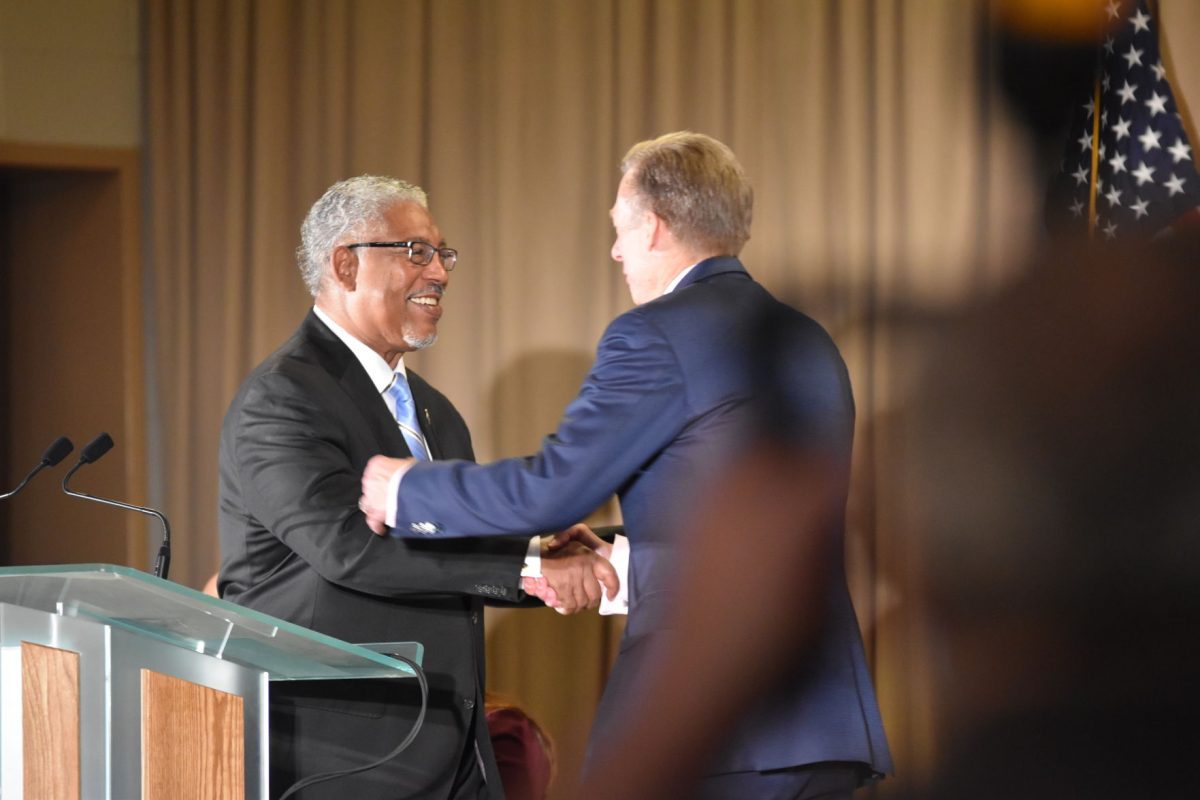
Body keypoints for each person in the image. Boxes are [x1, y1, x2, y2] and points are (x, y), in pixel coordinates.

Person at [360, 133, 893, 798]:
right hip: (821, 719)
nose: (614, 250)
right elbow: (757, 529)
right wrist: (624, 564)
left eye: (619, 229)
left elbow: (553, 490)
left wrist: (409, 492)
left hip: (720, 722)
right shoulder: (807, 340)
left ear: (657, 227)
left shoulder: (656, 332)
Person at [217, 175, 617, 799]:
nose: (439, 274)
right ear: (345, 264)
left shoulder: (434, 410)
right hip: (338, 756)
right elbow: (348, 549)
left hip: (453, 746)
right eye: (415, 253)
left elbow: (459, 557)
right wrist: (525, 564)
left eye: (441, 254)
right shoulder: (283, 399)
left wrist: (554, 558)